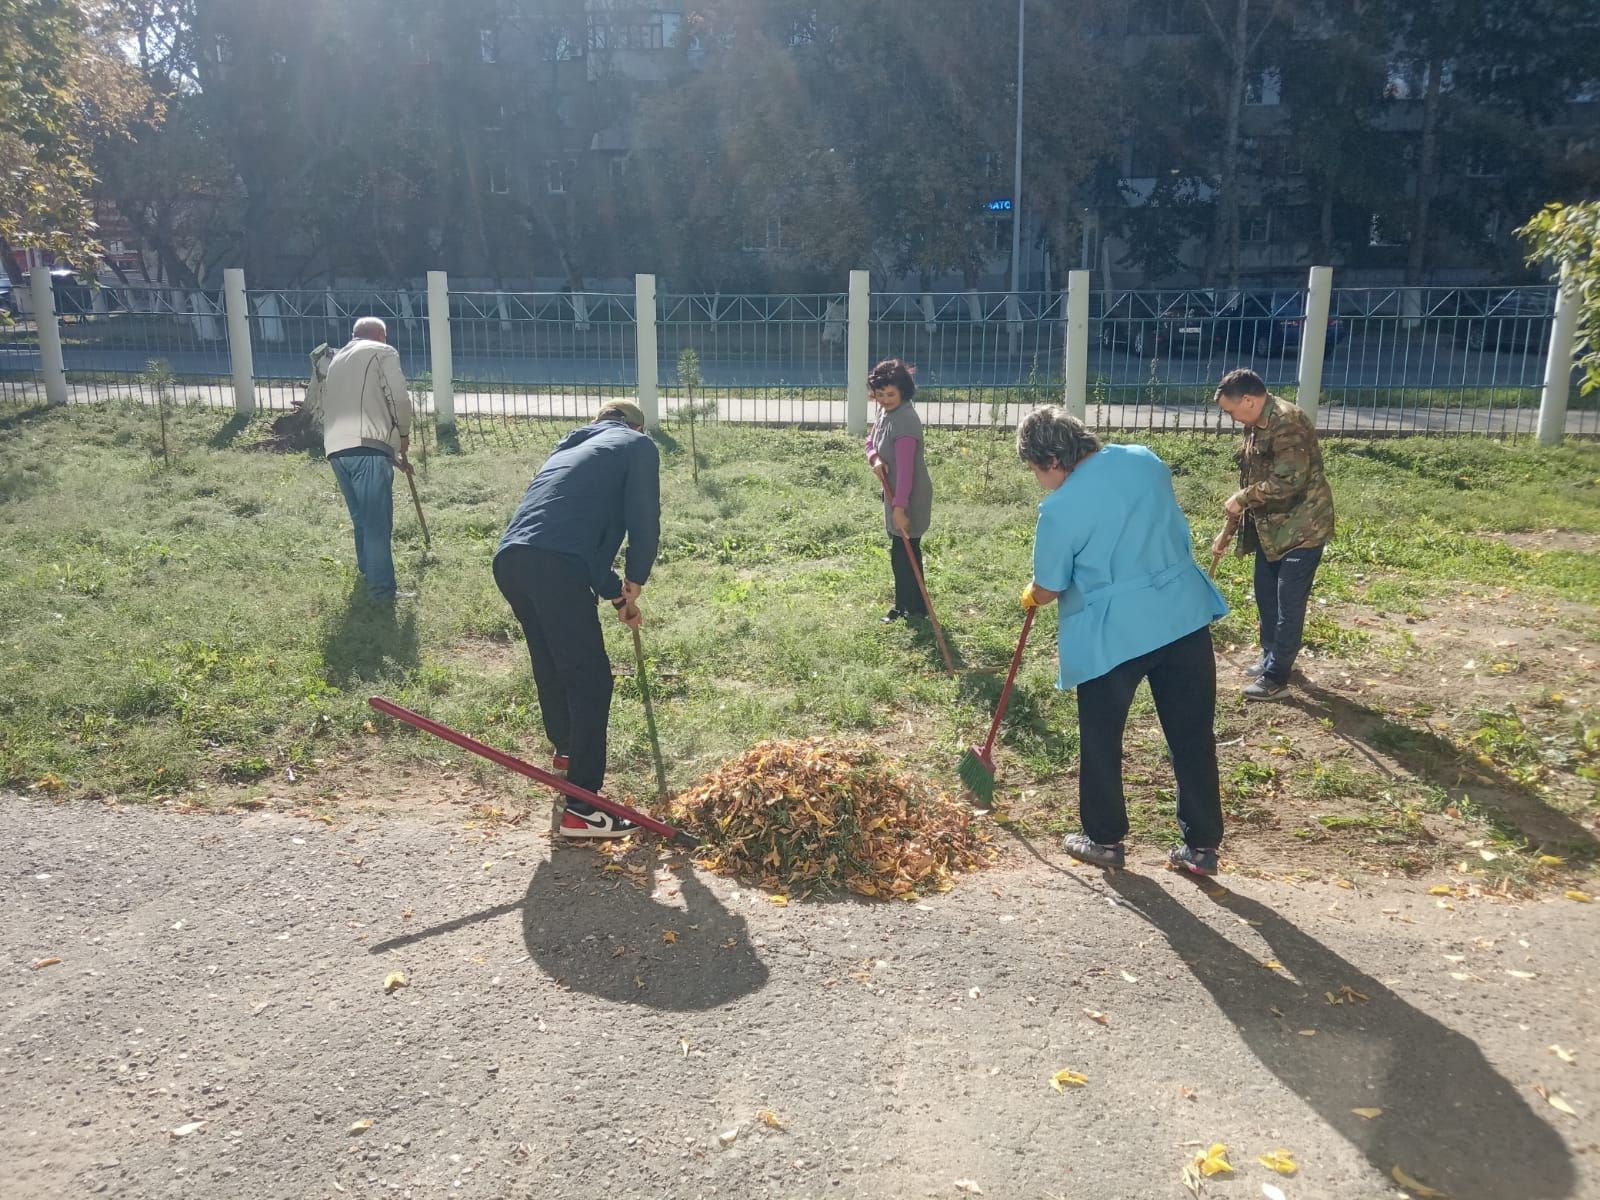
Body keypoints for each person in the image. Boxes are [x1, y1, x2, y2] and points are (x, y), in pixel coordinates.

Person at [1017, 407, 1230, 877]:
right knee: (1192, 735)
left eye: (1034, 469)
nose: (1038, 480)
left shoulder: (1059, 509)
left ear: (1051, 460)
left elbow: (1049, 586)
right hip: (1182, 614)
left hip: (1114, 634)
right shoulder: (1144, 460)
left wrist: (1033, 593)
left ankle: (1104, 839)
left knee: (1102, 738)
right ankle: (1201, 847)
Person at [493, 400, 661, 840]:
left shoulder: (570, 447)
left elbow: (571, 538)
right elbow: (644, 518)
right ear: (637, 427)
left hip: (513, 560)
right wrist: (637, 577)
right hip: (557, 564)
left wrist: (617, 596)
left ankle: (567, 756)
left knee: (552, 661)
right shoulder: (637, 445)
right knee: (591, 680)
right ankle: (583, 809)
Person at [1212, 368, 1335, 701]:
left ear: (1248, 400)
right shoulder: (1256, 424)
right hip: (1272, 531)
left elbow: (1289, 481)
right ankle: (1271, 656)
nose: (1232, 418)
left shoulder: (1286, 423)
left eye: (1231, 411)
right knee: (1266, 595)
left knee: (1288, 605)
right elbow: (1251, 477)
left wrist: (1243, 499)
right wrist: (1228, 530)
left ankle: (1277, 677)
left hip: (1303, 528)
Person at [321, 317, 413, 602]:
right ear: (380, 335)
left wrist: (390, 453)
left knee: (361, 519)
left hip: (336, 448)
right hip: (367, 447)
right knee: (376, 523)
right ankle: (382, 591)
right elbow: (398, 398)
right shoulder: (382, 351)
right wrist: (403, 434)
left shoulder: (337, 360)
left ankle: (368, 574)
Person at [864, 358, 934, 623]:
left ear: (903, 391)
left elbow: (906, 471)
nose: (884, 400)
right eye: (880, 394)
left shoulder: (905, 421)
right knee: (901, 552)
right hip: (894, 493)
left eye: (890, 394)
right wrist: (875, 459)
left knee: (905, 553)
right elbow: (870, 442)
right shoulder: (885, 413)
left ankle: (912, 609)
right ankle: (909, 606)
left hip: (909, 496)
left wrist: (900, 508)